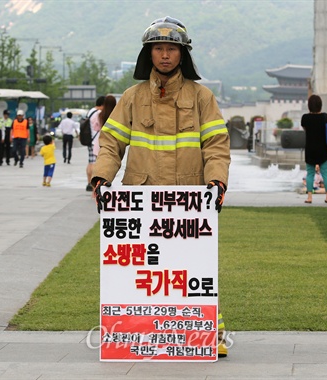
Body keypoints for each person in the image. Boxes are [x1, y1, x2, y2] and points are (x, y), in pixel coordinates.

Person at [91, 16, 231, 358]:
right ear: (148, 55)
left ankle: (209, 332)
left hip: (190, 199)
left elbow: (216, 145)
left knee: (193, 268)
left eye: (172, 49)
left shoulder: (202, 97)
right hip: (143, 198)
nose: (165, 55)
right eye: (158, 49)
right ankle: (137, 333)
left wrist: (217, 181)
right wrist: (100, 178)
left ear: (183, 55)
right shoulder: (131, 98)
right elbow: (110, 144)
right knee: (145, 270)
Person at [301, 94, 327, 204]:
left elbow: (305, 129)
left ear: (309, 105)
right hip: (322, 149)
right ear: (320, 105)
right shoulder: (325, 117)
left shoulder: (305, 118)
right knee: (325, 173)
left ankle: (309, 197)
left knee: (310, 174)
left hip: (310, 149)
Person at [85, 96, 105, 191]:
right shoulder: (98, 113)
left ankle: (89, 182)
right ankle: (93, 185)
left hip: (89, 139)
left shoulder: (90, 111)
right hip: (95, 141)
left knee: (90, 162)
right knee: (94, 163)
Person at [91, 95, 117, 160]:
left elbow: (95, 128)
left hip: (100, 141)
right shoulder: (116, 115)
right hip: (112, 142)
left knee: (99, 165)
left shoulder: (99, 115)